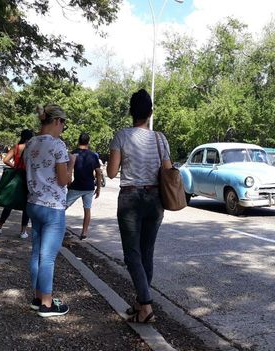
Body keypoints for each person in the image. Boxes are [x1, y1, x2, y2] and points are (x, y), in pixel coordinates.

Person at [107, 89, 172, 324]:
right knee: (146, 254)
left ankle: (145, 306)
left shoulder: (121, 136)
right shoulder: (160, 138)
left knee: (132, 254)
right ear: (150, 112)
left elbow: (112, 173)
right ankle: (140, 302)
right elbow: (168, 168)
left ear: (131, 112)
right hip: (155, 200)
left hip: (131, 198)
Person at [24, 104, 76, 318]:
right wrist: (71, 164)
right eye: (63, 122)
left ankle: (38, 298)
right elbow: (64, 180)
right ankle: (47, 304)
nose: (63, 127)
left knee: (37, 253)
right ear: (56, 121)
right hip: (53, 207)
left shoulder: (30, 143)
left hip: (33, 204)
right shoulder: (58, 146)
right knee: (48, 257)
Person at [0, 129, 34, 238]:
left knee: (10, 203)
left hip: (17, 177)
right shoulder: (33, 149)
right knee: (26, 205)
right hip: (28, 177)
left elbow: (5, 160)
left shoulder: (17, 147)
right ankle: (23, 232)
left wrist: (15, 167)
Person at [64, 132, 102, 240]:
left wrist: (68, 183)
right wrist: (98, 188)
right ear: (88, 142)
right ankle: (84, 232)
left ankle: (57, 226)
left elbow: (69, 170)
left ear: (78, 141)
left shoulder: (73, 153)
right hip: (89, 187)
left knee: (63, 207)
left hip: (76, 186)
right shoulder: (93, 155)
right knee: (87, 209)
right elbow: (98, 172)